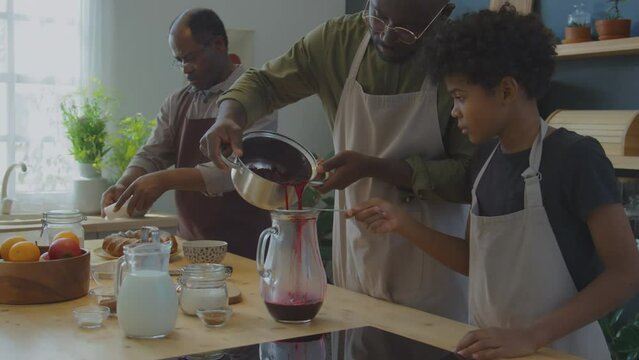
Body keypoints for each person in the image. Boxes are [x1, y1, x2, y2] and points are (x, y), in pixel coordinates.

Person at [349, 7, 639, 359]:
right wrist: (403, 224)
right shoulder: (484, 163)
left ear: (505, 91)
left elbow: (625, 274)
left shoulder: (576, 157)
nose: (454, 110)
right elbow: (474, 260)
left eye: (460, 97)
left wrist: (532, 336)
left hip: (562, 351)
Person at [198, 0, 474, 322]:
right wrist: (229, 116)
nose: (385, 35)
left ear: (442, 14)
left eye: (406, 30)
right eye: (378, 17)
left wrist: (375, 168)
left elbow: (470, 177)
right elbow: (264, 83)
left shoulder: (463, 57)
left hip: (434, 273)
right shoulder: (338, 41)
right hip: (356, 259)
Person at [101, 8, 277, 259]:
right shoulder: (177, 102)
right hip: (189, 247)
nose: (186, 69)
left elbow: (235, 171)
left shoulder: (256, 97)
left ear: (218, 44)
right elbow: (153, 154)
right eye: (179, 60)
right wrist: (125, 182)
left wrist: (164, 180)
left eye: (191, 57)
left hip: (245, 247)